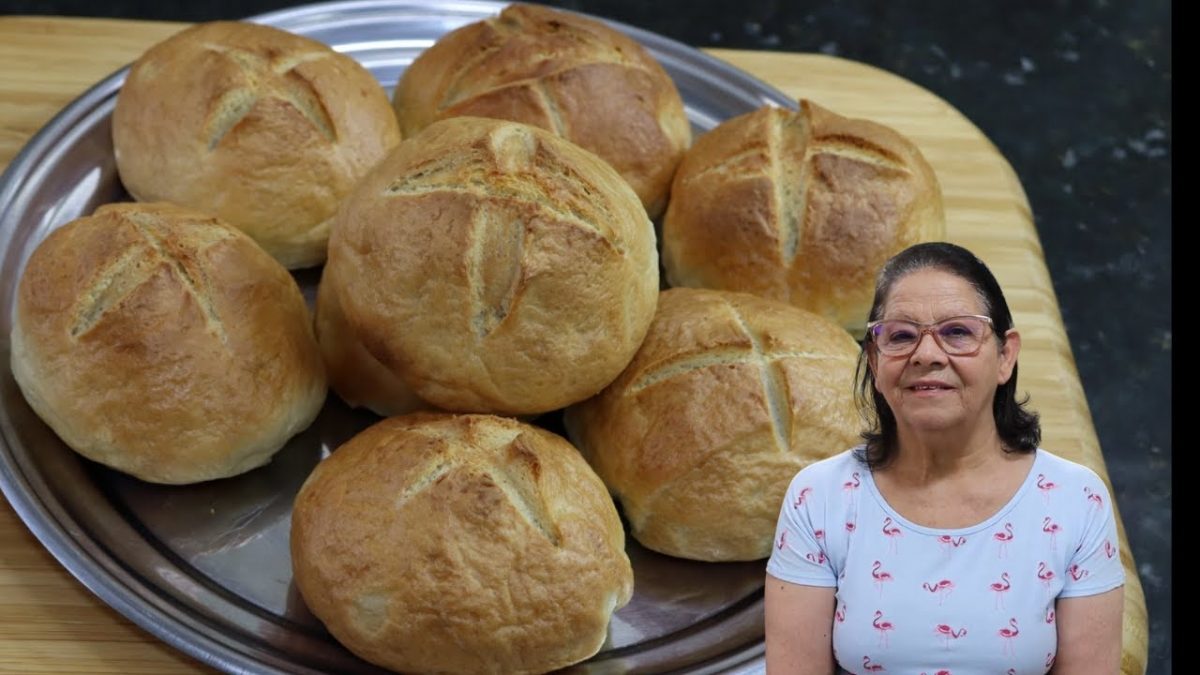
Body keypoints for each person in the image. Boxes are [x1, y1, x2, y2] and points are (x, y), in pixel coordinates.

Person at [764, 242, 1124, 674]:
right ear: (875, 363)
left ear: (1005, 355)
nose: (927, 355)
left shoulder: (1075, 501)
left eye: (957, 332)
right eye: (900, 336)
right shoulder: (819, 497)